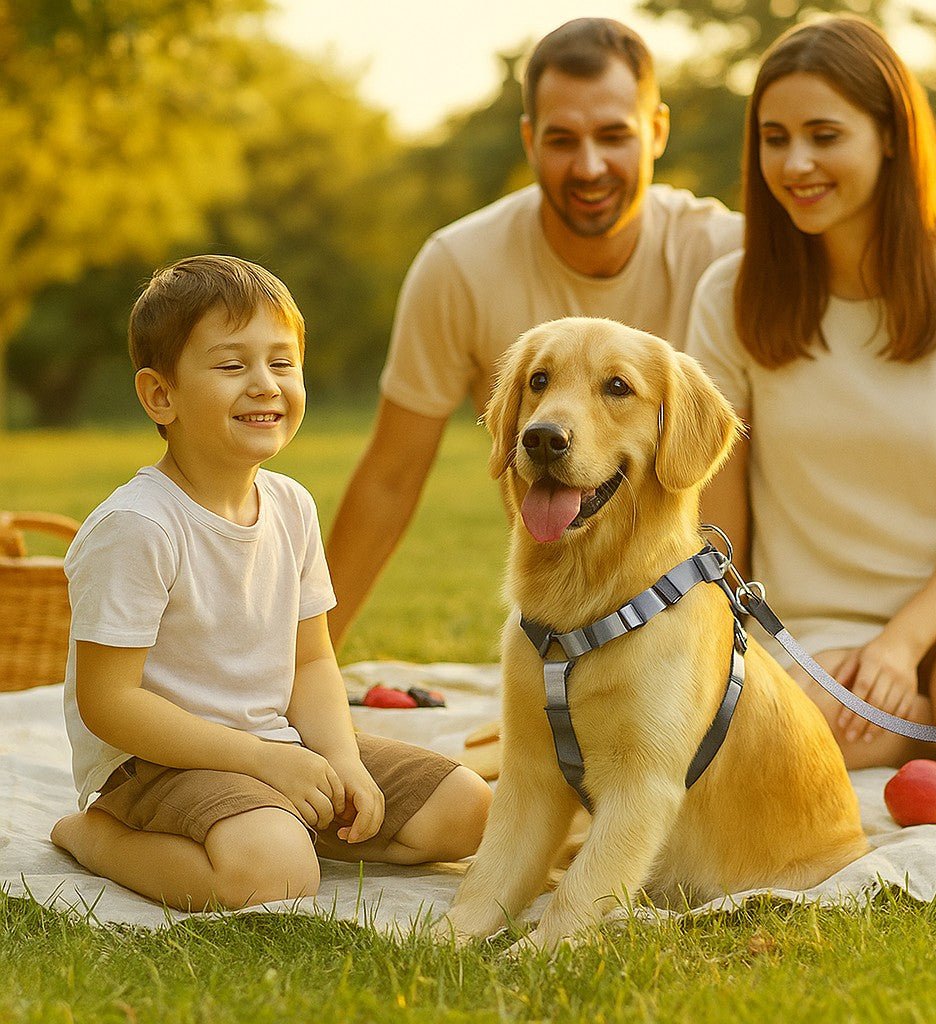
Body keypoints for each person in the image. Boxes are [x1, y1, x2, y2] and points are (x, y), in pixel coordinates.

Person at [50, 255, 492, 911]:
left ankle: (284, 823)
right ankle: (97, 838)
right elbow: (109, 703)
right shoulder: (137, 526)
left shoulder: (291, 506)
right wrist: (260, 762)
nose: (265, 385)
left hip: (276, 744)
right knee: (274, 879)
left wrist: (340, 760)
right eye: (232, 366)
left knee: (471, 810)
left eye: (282, 363)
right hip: (157, 764)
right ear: (159, 395)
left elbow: (311, 659)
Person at [325, 17, 743, 647]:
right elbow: (389, 481)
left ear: (657, 130)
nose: (589, 165)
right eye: (562, 140)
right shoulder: (459, 267)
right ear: (528, 140)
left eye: (613, 135)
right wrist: (298, 668)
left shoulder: (727, 254)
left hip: (721, 615)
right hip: (566, 622)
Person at [688, 16, 936, 777]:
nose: (796, 162)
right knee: (771, 740)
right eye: (775, 138)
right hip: (815, 617)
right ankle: (922, 722)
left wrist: (903, 645)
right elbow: (718, 525)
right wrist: (729, 647)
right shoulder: (728, 297)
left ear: (891, 136)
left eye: (824, 134)